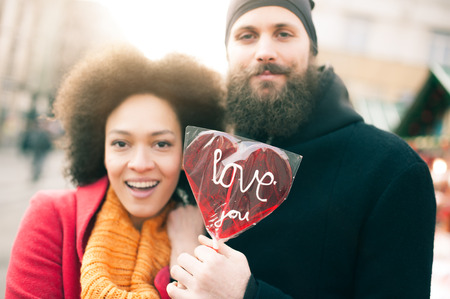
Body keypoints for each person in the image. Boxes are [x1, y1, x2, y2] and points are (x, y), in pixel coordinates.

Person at [165, 0, 437, 298]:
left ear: (311, 49)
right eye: (247, 35)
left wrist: (248, 294)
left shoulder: (390, 168)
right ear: (228, 52)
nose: (265, 51)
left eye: (283, 33)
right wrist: (184, 246)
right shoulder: (202, 158)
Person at [5, 44, 224, 298]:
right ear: (101, 149)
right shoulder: (52, 216)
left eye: (161, 144)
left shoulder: (208, 238)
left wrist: (187, 256)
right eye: (121, 144)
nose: (140, 163)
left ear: (187, 153)